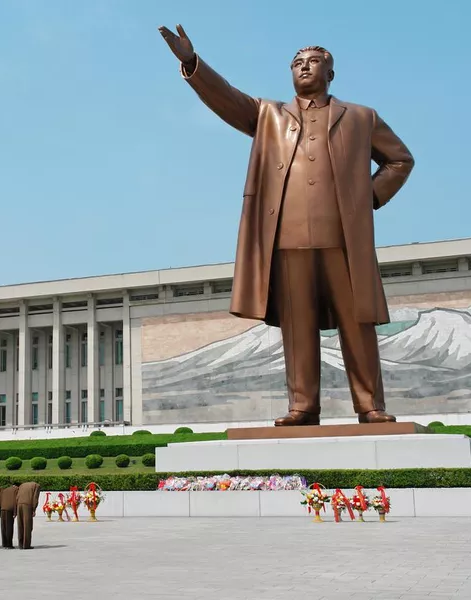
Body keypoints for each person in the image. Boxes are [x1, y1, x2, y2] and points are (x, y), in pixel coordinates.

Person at [158, 26, 414, 426]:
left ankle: (369, 405)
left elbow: (400, 160)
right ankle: (302, 406)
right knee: (297, 325)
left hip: (343, 237)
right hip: (287, 237)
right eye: (296, 63)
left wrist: (369, 196)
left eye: (313, 62)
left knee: (357, 321)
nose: (303, 67)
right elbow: (228, 98)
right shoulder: (268, 115)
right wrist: (192, 63)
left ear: (330, 73)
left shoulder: (362, 118)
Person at [16, 481, 40, 550]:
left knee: (20, 525)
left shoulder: (22, 485)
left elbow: (17, 496)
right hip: (27, 505)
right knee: (27, 525)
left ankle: (20, 544)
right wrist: (34, 509)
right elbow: (35, 498)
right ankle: (26, 545)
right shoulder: (37, 486)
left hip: (19, 504)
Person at [0, 484, 19, 549]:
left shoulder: (5, 489)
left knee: (3, 527)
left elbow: (0, 500)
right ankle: (9, 544)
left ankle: (4, 544)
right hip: (9, 509)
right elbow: (15, 501)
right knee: (9, 527)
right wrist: (15, 512)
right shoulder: (16, 490)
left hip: (2, 509)